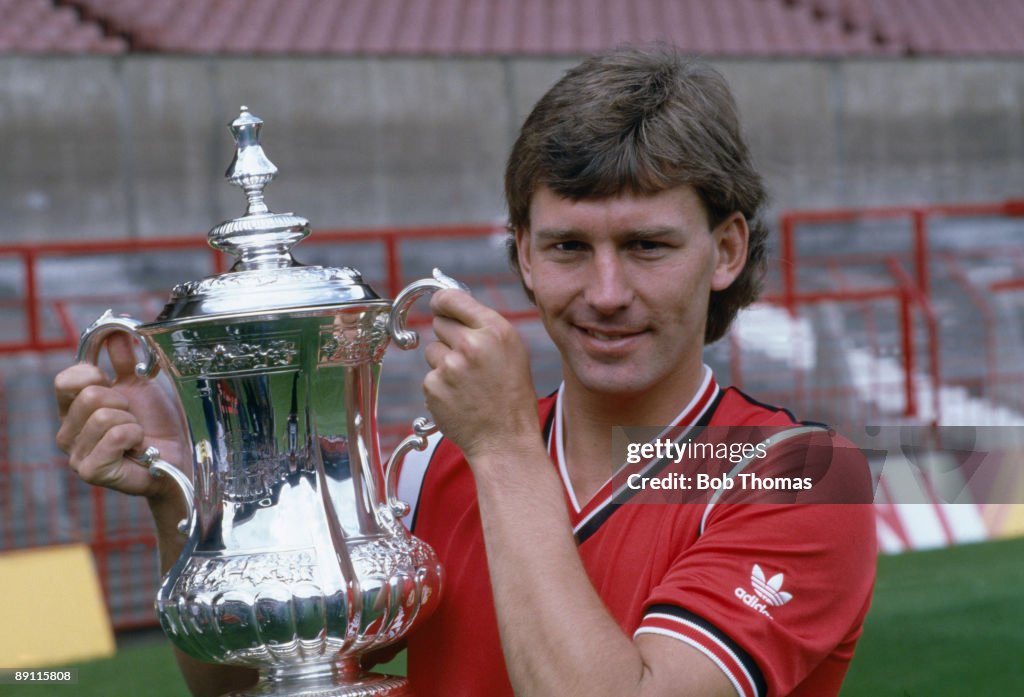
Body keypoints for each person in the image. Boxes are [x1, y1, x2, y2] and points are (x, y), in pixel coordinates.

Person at [55, 44, 876, 697]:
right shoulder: (424, 468)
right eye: (567, 247)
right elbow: (253, 680)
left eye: (647, 245)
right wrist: (190, 486)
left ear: (726, 249)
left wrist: (504, 448)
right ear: (521, 252)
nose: (607, 292)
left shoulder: (797, 473)